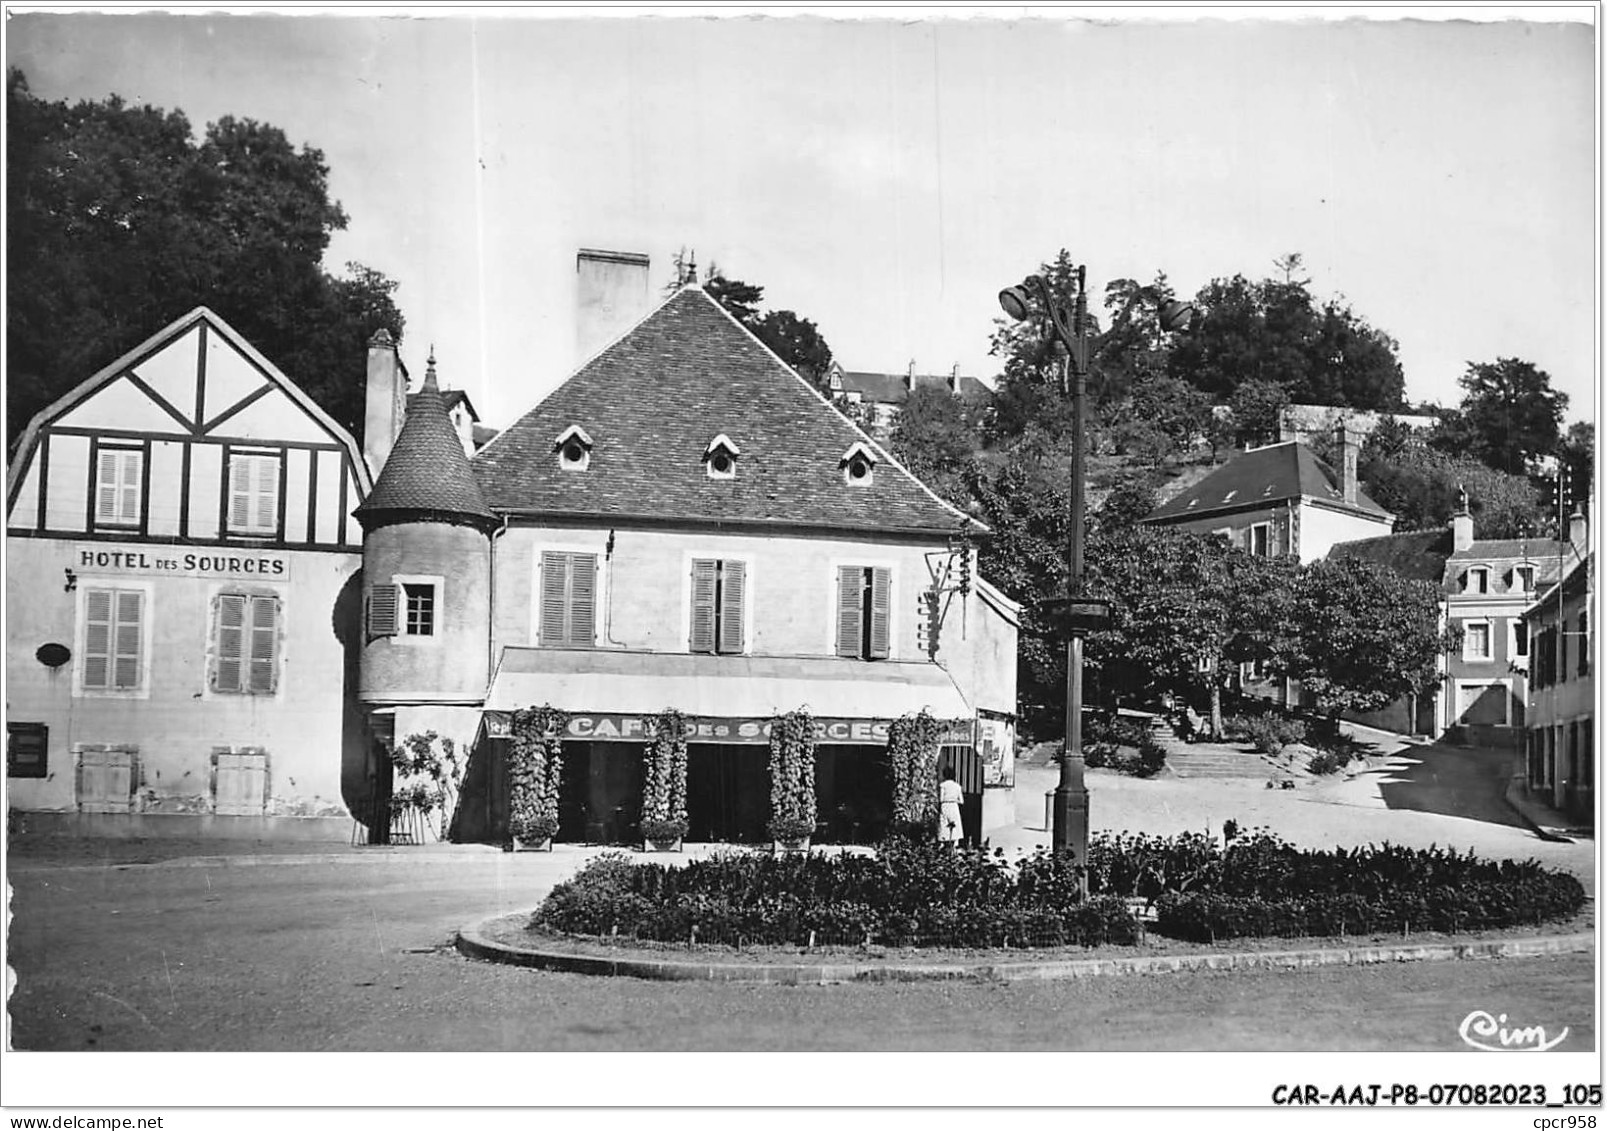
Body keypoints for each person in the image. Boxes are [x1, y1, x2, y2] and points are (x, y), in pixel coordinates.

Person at [938, 773, 965, 845]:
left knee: (943, 824)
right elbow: (961, 801)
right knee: (956, 825)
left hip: (945, 805)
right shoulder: (957, 786)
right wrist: (954, 799)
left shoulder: (943, 785)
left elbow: (941, 799)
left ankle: (942, 844)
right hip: (954, 806)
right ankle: (956, 845)